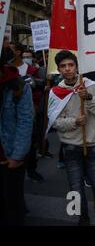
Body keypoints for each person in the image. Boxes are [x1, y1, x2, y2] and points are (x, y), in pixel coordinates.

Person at [48, 51, 95, 225]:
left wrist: (87, 97)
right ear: (58, 69)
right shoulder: (55, 92)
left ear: (77, 66)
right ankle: (83, 217)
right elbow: (54, 121)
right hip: (70, 145)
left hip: (93, 142)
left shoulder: (92, 85)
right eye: (63, 66)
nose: (67, 69)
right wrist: (74, 122)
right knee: (75, 186)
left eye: (70, 65)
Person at [0, 51, 33, 226]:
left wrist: (18, 155)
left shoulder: (18, 87)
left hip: (9, 155)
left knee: (12, 201)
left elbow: (25, 121)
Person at [9, 43, 45, 183]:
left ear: (17, 52)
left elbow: (39, 88)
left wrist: (35, 104)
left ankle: (31, 169)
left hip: (29, 111)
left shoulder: (32, 70)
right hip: (10, 114)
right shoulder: (6, 69)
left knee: (29, 141)